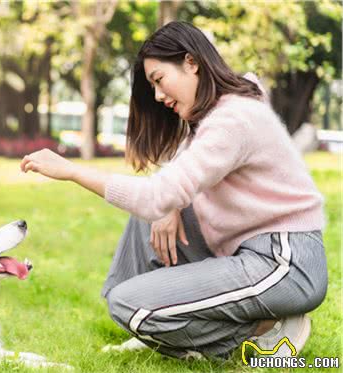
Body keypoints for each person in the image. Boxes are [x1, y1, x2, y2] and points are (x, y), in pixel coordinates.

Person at [20, 21, 327, 360]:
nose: (158, 96)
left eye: (159, 80)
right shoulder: (221, 108)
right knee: (147, 222)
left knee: (128, 301)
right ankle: (154, 322)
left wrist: (71, 171)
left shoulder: (234, 119)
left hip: (283, 263)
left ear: (191, 62)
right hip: (246, 252)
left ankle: (264, 334)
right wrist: (171, 207)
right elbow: (175, 179)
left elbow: (156, 195)